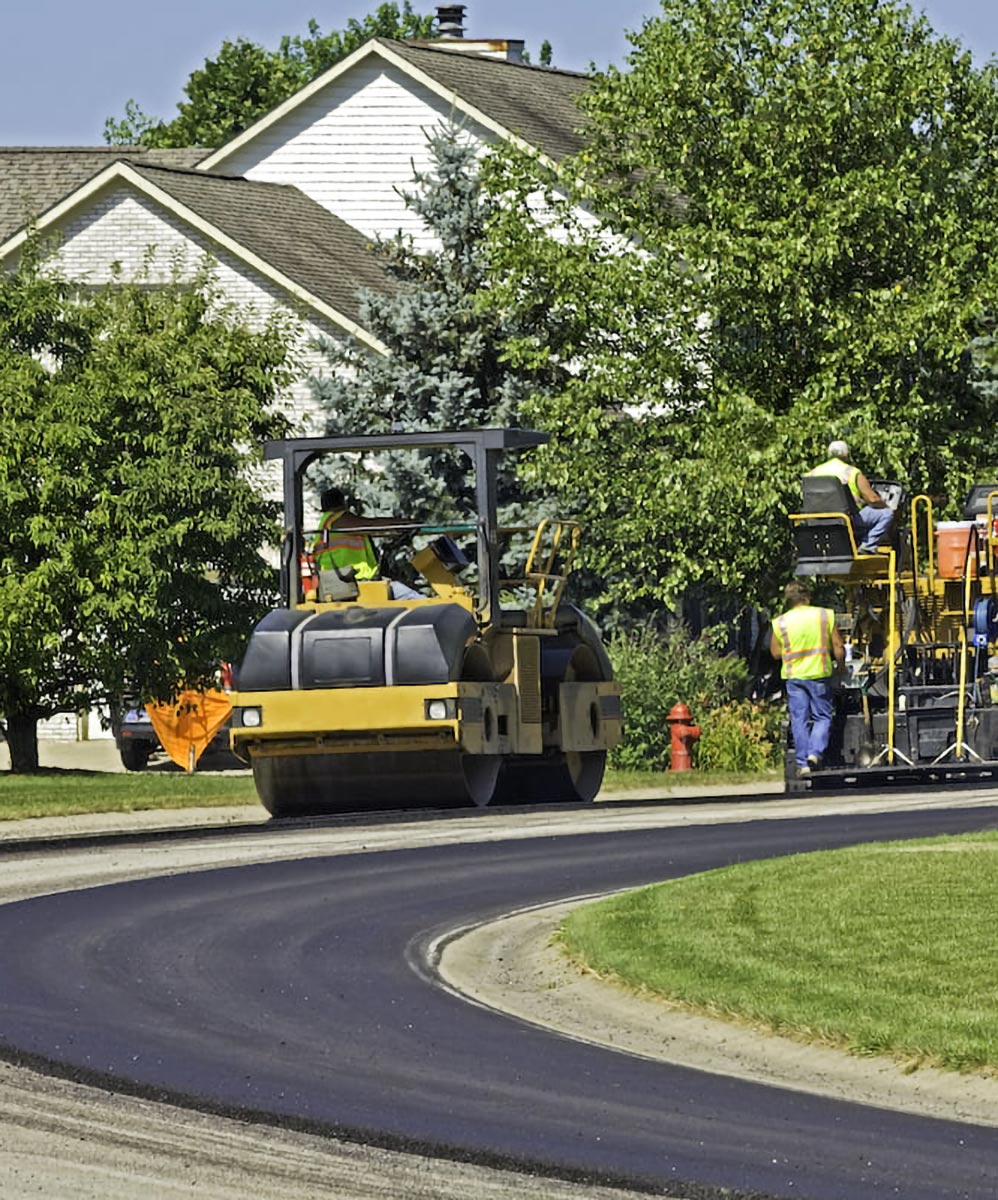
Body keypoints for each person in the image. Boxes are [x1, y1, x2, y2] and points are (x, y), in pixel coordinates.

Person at [770, 580, 845, 778]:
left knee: (799, 720)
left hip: (794, 677)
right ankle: (815, 753)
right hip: (819, 674)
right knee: (822, 716)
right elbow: (838, 645)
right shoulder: (824, 615)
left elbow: (775, 653)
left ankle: (803, 763)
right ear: (808, 597)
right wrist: (842, 666)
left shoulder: (781, 622)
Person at [312, 487, 421, 600]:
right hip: (349, 583)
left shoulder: (327, 523)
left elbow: (372, 530)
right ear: (343, 502)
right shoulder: (338, 519)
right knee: (412, 598)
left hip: (346, 581)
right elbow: (370, 525)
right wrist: (404, 523)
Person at [808, 439, 894, 554]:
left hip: (817, 521)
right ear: (846, 454)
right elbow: (872, 499)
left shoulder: (813, 473)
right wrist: (886, 506)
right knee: (886, 513)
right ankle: (867, 546)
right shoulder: (851, 472)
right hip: (846, 520)